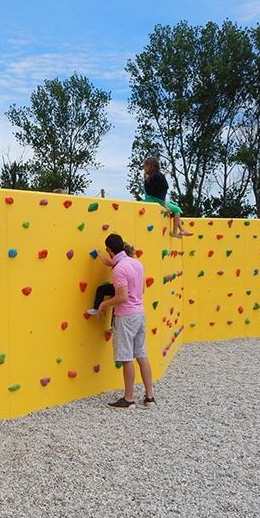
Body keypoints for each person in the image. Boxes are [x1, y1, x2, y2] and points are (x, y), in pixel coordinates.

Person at [97, 233, 155, 408]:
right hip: (139, 314)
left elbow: (121, 297)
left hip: (126, 316)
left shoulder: (119, 269)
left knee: (126, 357)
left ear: (109, 249)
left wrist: (104, 304)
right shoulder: (137, 263)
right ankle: (149, 396)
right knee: (142, 354)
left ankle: (128, 398)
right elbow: (142, 289)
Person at [86, 243, 136, 332]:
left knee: (102, 290)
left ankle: (97, 308)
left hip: (122, 287)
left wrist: (99, 253)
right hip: (125, 288)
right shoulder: (131, 262)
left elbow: (107, 262)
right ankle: (113, 325)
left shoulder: (121, 261)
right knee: (115, 304)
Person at [142, 156, 192, 238]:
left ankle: (177, 231)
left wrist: (146, 181)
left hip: (154, 200)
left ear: (150, 166)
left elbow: (149, 191)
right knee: (176, 209)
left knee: (176, 209)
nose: (144, 168)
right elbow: (163, 190)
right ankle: (180, 230)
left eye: (145, 166)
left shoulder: (155, 177)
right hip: (158, 200)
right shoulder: (159, 175)